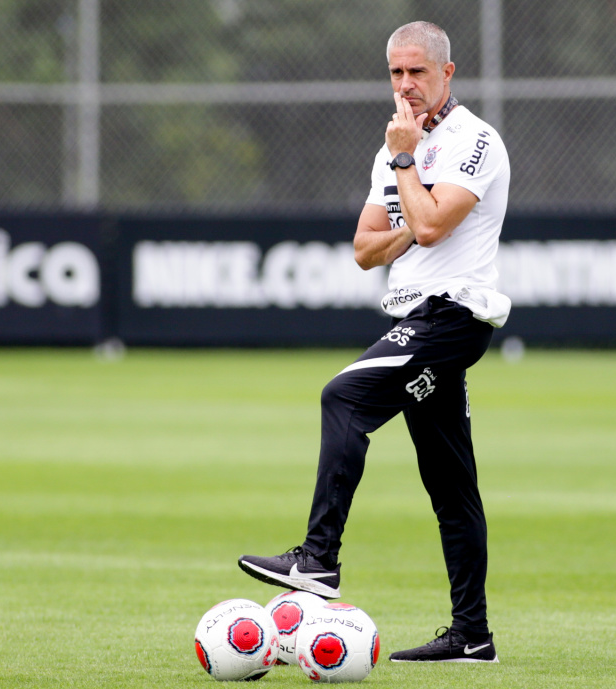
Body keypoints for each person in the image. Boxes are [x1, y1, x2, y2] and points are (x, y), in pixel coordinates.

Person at [239, 20, 510, 664]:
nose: (406, 85)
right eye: (396, 73)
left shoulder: (474, 140)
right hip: (410, 317)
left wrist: (408, 167)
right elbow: (366, 248)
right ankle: (473, 636)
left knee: (343, 397)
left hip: (449, 318)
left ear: (448, 73)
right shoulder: (392, 147)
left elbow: (434, 226)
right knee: (451, 485)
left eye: (418, 72)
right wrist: (407, 192)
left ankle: (319, 561)